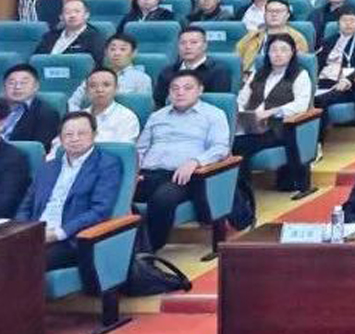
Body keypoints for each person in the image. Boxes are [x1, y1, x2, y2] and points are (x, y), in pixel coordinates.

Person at [133, 71, 231, 250]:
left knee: (162, 199)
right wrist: (133, 172)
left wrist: (195, 162)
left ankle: (148, 251)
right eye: (175, 88)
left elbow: (220, 148)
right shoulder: (157, 116)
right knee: (116, 194)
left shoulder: (214, 115)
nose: (180, 93)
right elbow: (140, 149)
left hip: (182, 176)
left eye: (187, 88)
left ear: (200, 90)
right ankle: (126, 248)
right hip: (148, 173)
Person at [18, 112, 120, 270]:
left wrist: (58, 233)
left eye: (82, 133)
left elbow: (100, 210)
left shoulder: (107, 165)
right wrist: (22, 231)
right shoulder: (48, 167)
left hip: (72, 238)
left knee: (24, 262)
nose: (75, 139)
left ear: (94, 134)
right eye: (69, 134)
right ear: (60, 138)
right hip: (36, 233)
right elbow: (26, 204)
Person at [232, 34, 315, 193]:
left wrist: (273, 111)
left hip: (278, 128)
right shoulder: (258, 73)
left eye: (283, 50)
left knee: (238, 146)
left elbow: (301, 105)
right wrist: (243, 114)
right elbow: (241, 99)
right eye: (274, 50)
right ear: (267, 53)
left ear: (292, 53)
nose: (278, 54)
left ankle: (243, 194)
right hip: (250, 125)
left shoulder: (300, 75)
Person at [1, 64, 61, 145]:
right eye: (11, 83)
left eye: (23, 83)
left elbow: (39, 148)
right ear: (4, 87)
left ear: (36, 86)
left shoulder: (47, 114)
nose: (17, 87)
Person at [35, 0, 106, 64]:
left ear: (86, 15)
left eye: (77, 11)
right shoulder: (49, 36)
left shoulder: (95, 38)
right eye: (67, 12)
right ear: (61, 17)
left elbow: (98, 64)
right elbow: (36, 60)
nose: (72, 15)